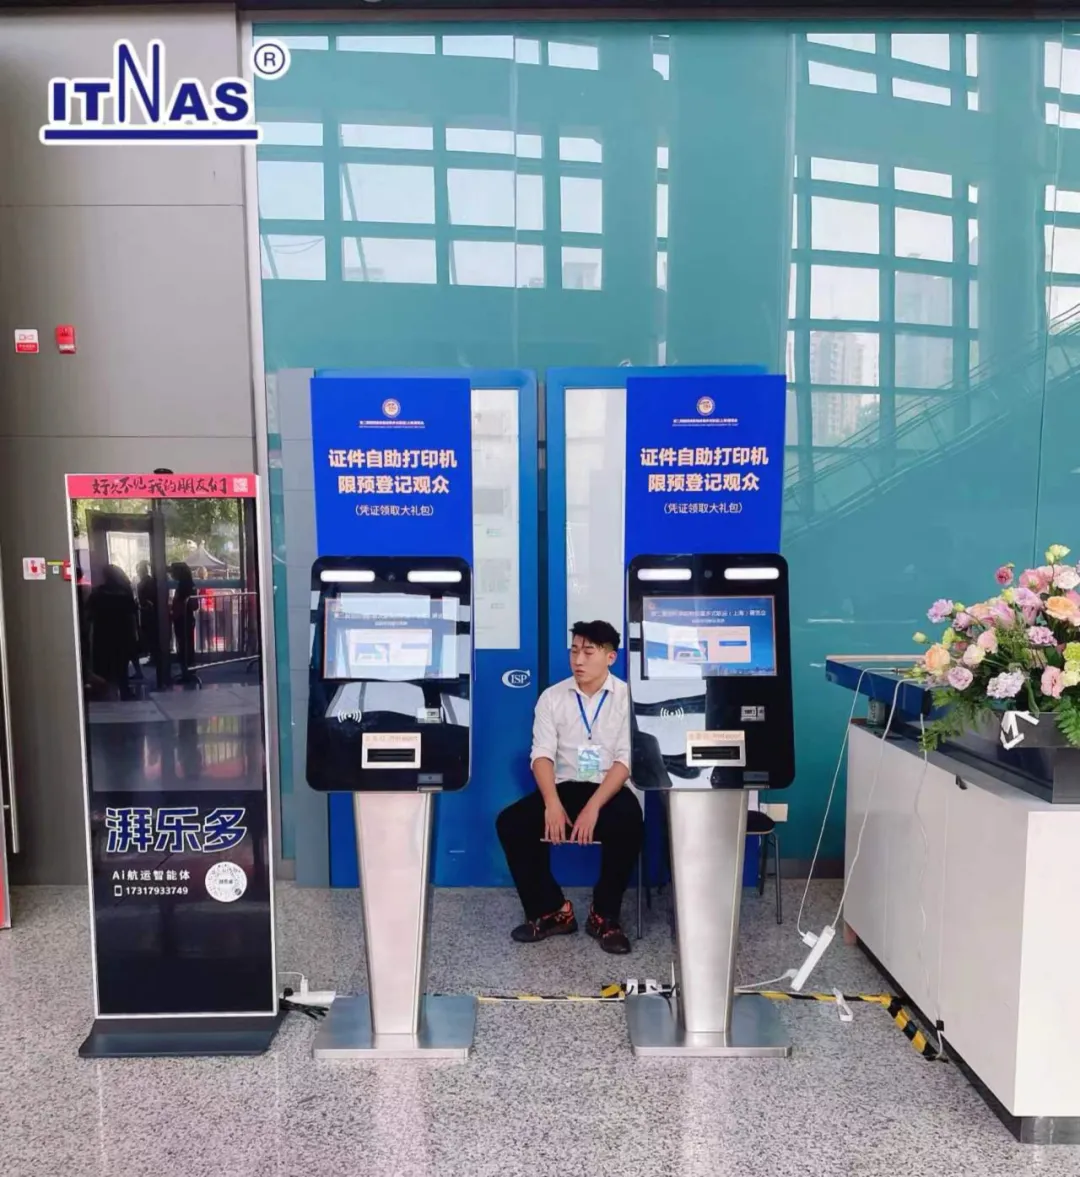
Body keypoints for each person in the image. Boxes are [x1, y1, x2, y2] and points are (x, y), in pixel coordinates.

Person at [496, 620, 643, 955]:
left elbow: (626, 760)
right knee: (511, 823)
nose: (578, 659)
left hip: (609, 788)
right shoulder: (552, 697)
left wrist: (593, 808)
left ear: (610, 657)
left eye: (588, 652)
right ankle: (552, 911)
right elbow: (541, 754)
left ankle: (604, 916)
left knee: (629, 822)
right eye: (574, 651)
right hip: (564, 787)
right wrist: (551, 802)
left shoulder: (627, 698)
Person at [87, 564, 139, 700]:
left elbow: (89, 614)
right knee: (122, 666)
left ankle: (103, 693)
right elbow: (132, 613)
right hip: (122, 634)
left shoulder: (98, 593)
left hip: (103, 634)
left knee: (103, 665)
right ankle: (125, 691)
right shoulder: (125, 593)